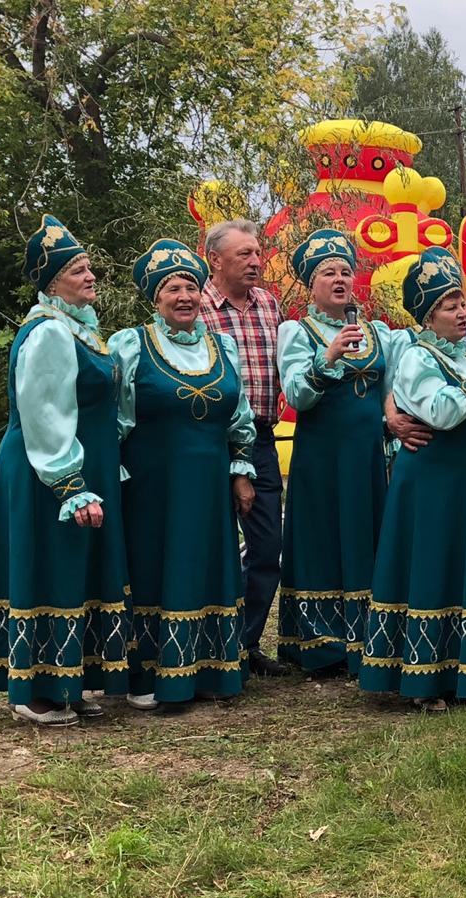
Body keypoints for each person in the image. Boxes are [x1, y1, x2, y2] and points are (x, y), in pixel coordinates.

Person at [0, 215, 129, 725]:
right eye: (77, 270)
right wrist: (70, 485)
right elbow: (45, 414)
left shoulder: (80, 330)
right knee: (48, 564)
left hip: (79, 469)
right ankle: (31, 692)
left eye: (89, 268)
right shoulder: (50, 334)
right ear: (51, 281)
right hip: (47, 472)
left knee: (75, 567)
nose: (90, 277)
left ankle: (68, 681)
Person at [360, 247, 466, 709]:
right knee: (431, 566)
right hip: (431, 483)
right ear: (428, 315)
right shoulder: (416, 358)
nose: (462, 312)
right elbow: (442, 413)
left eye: (461, 302)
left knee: (465, 565)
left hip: (465, 484)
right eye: (450, 306)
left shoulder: (461, 355)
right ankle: (424, 681)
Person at [110, 239, 256, 709]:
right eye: (172, 288)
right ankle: (150, 674)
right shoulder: (131, 345)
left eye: (191, 286)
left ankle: (211, 669)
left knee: (211, 563)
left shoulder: (224, 346)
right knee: (155, 565)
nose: (185, 297)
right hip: (153, 485)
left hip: (210, 483)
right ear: (155, 298)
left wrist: (240, 472)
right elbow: (114, 419)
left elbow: (240, 417)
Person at [276, 229, 393, 676]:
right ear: (311, 283)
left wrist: (393, 425)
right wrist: (326, 357)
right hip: (322, 456)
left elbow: (389, 389)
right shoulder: (296, 331)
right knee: (323, 535)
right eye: (329, 272)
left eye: (346, 271)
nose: (340, 279)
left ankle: (368, 637)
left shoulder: (377, 331)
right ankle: (320, 644)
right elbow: (296, 396)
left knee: (366, 532)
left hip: (366, 455)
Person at [199, 219, 289, 676]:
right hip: (210, 442)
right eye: (244, 255)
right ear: (215, 260)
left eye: (257, 253)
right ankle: (209, 645)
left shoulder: (269, 304)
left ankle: (245, 642)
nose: (256, 262)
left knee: (267, 542)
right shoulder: (195, 308)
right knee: (210, 543)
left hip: (263, 440)